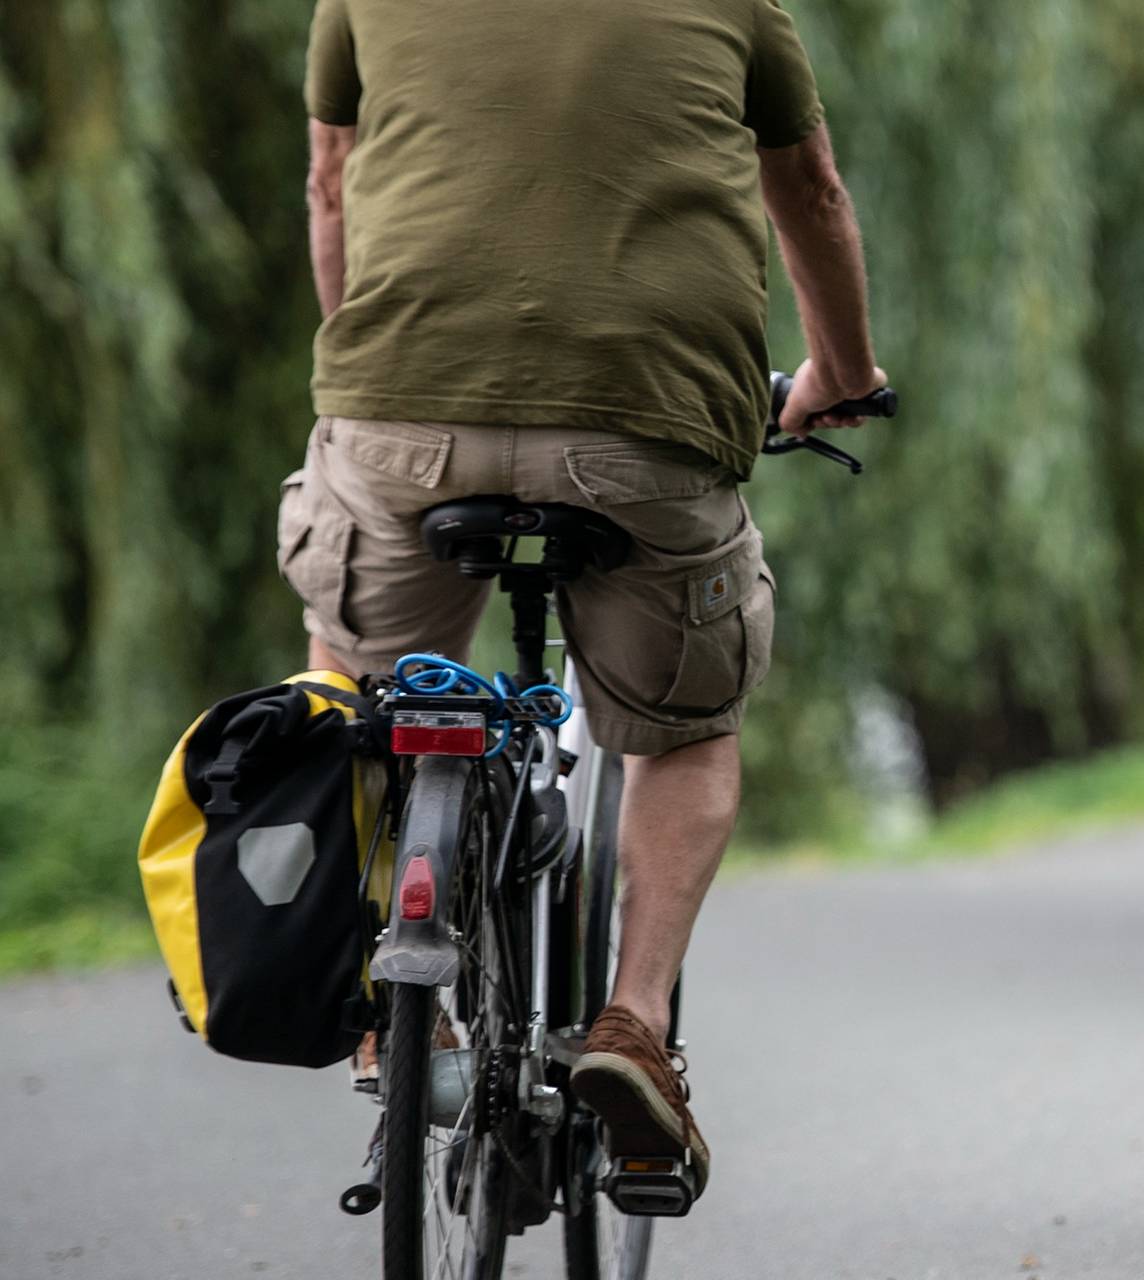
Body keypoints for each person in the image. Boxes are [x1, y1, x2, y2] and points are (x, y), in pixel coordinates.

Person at [295, 0, 886, 1193]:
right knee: (683, 735)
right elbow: (808, 189)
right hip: (649, 428)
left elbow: (331, 183)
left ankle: (381, 986)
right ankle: (633, 1023)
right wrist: (843, 372)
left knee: (349, 689)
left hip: (400, 408)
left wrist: (377, 381)